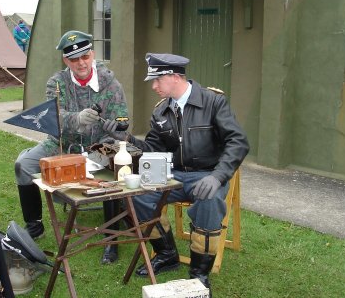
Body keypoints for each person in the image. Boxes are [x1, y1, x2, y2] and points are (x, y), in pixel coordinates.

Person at [102, 53, 249, 296]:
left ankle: (199, 273)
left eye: (157, 80)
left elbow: (238, 142)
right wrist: (126, 139)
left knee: (209, 202)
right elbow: (152, 150)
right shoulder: (161, 112)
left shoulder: (213, 102)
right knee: (135, 195)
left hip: (208, 175)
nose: (154, 86)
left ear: (173, 76)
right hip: (175, 175)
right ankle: (166, 253)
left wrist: (218, 176)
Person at [14, 30, 128, 264]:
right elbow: (52, 116)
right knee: (23, 164)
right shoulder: (57, 83)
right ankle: (34, 225)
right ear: (66, 61)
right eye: (74, 59)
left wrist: (107, 124)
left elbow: (123, 125)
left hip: (100, 144)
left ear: (92, 55)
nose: (81, 63)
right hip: (63, 144)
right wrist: (76, 119)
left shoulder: (111, 84)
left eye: (85, 57)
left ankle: (111, 240)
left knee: (114, 170)